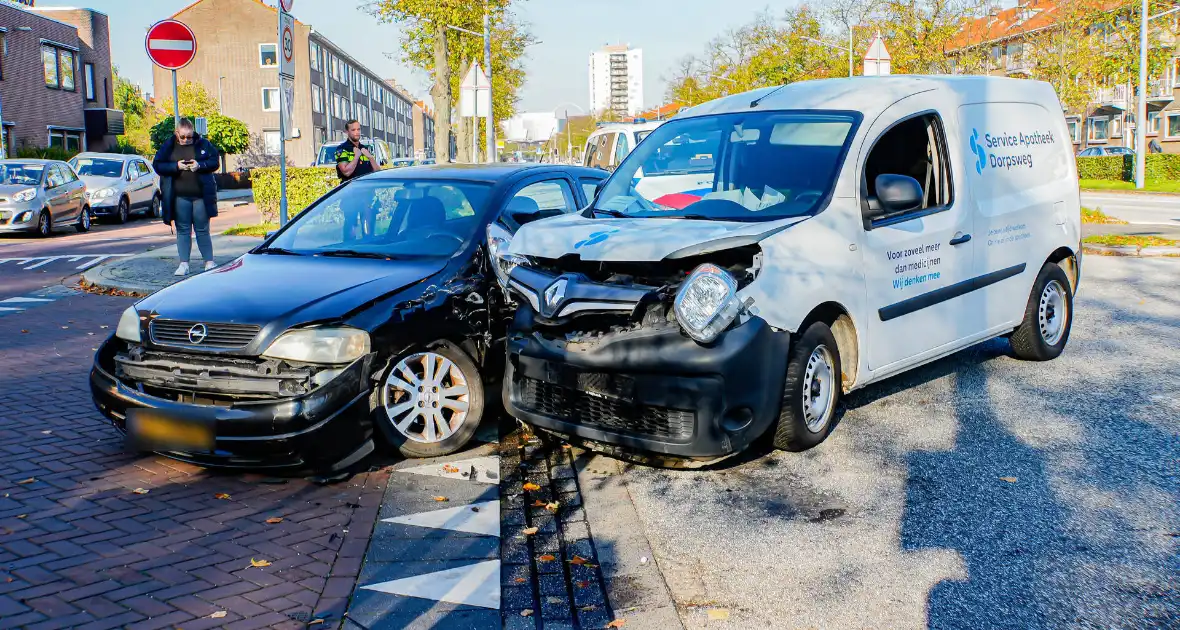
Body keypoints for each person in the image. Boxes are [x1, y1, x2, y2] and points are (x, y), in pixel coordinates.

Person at [153, 118, 220, 275]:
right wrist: (176, 166)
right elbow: (158, 165)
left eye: (189, 137)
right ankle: (184, 264)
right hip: (179, 197)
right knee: (183, 230)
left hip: (201, 196)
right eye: (182, 137)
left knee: (202, 229)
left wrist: (200, 165)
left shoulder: (203, 144)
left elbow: (214, 161)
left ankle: (209, 262)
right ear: (177, 133)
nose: (186, 140)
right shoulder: (169, 146)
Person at [334, 120, 377, 238]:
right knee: (351, 223)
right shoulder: (342, 149)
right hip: (350, 194)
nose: (357, 132)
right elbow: (346, 172)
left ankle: (369, 248)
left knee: (368, 224)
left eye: (358, 129)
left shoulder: (365, 148)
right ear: (347, 131)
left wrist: (370, 158)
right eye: (353, 130)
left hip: (367, 194)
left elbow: (377, 172)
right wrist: (357, 156)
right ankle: (348, 249)